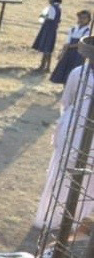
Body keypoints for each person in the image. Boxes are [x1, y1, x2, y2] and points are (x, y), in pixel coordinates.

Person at [35, 60, 94, 230]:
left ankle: (80, 218)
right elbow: (67, 101)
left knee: (89, 178)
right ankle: (54, 217)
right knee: (65, 173)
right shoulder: (78, 73)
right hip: (75, 127)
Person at [50, 9, 92, 85]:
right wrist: (62, 53)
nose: (82, 20)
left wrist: (70, 46)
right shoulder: (73, 29)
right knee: (65, 68)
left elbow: (81, 43)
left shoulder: (87, 30)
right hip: (68, 53)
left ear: (88, 20)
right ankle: (64, 86)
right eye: (81, 17)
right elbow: (67, 42)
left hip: (79, 54)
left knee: (74, 70)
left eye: (84, 18)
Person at [32, 0, 62, 73]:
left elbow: (50, 18)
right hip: (52, 30)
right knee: (48, 49)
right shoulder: (59, 7)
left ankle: (44, 66)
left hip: (48, 29)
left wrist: (43, 16)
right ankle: (46, 66)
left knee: (47, 49)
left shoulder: (52, 7)